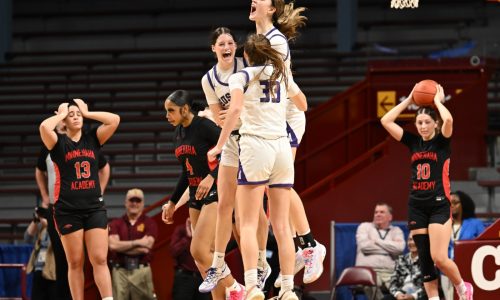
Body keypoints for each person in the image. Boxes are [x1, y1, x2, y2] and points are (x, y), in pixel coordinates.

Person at [207, 33, 307, 300]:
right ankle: (288, 289)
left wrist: (219, 145)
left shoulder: (241, 76)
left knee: (248, 223)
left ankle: (252, 285)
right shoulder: (282, 73)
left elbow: (236, 109)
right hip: (282, 148)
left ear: (247, 55)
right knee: (283, 225)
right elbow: (303, 104)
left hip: (256, 147)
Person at [249, 0, 326, 286]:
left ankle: (310, 246)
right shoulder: (262, 39)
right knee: (272, 190)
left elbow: (275, 84)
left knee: (278, 185)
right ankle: (297, 244)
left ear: (271, 9)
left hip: (284, 115)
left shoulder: (276, 41)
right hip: (271, 116)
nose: (254, 0)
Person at [380, 84, 474, 300]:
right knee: (424, 259)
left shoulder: (442, 141)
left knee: (439, 257)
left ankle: (462, 286)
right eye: (419, 122)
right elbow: (386, 121)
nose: (422, 126)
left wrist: (439, 102)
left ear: (435, 124)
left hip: (439, 204)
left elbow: (449, 121)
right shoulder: (413, 142)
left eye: (427, 122)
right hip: (417, 205)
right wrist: (409, 100)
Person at [199, 27, 272, 294]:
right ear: (214, 49)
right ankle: (217, 265)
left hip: (254, 138)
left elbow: (252, 106)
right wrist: (232, 114)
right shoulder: (209, 79)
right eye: (222, 43)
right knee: (224, 206)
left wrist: (236, 111)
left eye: (231, 42)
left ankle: (262, 263)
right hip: (231, 140)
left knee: (252, 211)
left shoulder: (246, 66)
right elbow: (220, 118)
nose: (227, 46)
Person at [161, 90, 244, 300]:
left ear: (185, 109)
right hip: (195, 193)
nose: (167, 115)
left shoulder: (204, 126)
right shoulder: (178, 133)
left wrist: (211, 176)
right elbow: (185, 172)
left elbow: (232, 150)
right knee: (205, 259)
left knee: (198, 250)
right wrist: (172, 202)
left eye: (171, 110)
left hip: (217, 188)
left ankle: (235, 287)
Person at [39, 98, 120, 300]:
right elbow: (43, 127)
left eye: (78, 115)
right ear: (64, 122)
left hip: (94, 208)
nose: (75, 117)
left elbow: (114, 120)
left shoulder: (93, 139)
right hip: (67, 209)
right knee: (75, 262)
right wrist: (60, 114)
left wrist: (87, 112)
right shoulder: (57, 142)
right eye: (71, 115)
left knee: (100, 258)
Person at [108, 188, 158, 300]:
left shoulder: (150, 223)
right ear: (126, 202)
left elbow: (147, 247)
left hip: (142, 271)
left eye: (138, 201)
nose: (134, 203)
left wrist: (121, 246)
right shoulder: (116, 223)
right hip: (120, 271)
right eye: (131, 200)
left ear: (143, 203)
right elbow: (112, 246)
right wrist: (138, 243)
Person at [441, 191, 485, 300]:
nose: (452, 206)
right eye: (449, 203)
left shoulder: (475, 224)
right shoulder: (442, 224)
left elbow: (484, 244)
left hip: (468, 270)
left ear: (463, 204)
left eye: (455, 202)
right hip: (446, 273)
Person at [355, 203, 405, 299]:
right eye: (376, 212)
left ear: (390, 217)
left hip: (391, 272)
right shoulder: (364, 227)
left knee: (403, 287)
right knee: (367, 282)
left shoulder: (396, 231)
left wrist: (376, 241)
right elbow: (364, 246)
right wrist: (389, 249)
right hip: (368, 272)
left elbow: (399, 248)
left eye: (382, 212)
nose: (378, 214)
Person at [170, 217, 210, 300]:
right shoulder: (181, 230)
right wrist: (188, 237)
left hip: (202, 278)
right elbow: (173, 252)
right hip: (184, 278)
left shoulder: (206, 229)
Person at [24, 206, 57, 300]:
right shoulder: (43, 226)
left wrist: (49, 224)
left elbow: (57, 242)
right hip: (39, 269)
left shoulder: (60, 225)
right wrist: (36, 219)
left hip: (53, 272)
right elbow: (27, 238)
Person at [383, 233, 427, 300]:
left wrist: (413, 296)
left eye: (415, 239)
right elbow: (393, 282)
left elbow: (430, 286)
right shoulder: (401, 259)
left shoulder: (427, 261)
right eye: (410, 240)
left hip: (419, 296)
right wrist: (397, 294)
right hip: (401, 295)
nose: (412, 242)